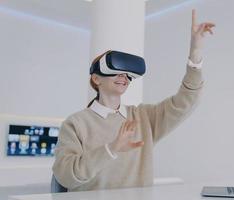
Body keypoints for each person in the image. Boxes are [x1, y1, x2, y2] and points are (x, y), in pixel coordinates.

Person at [52, 9, 215, 192]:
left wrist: (195, 52)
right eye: (116, 70)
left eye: (128, 74)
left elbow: (186, 101)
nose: (124, 76)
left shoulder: (143, 117)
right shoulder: (76, 123)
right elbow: (65, 176)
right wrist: (111, 149)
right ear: (96, 79)